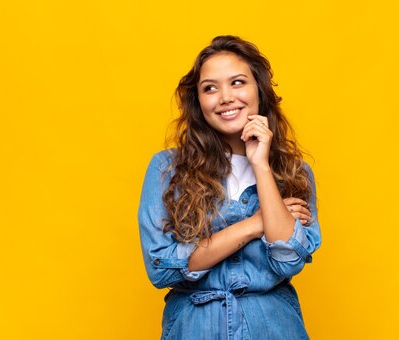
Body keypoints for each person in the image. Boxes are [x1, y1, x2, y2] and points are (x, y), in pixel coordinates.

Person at [138, 35, 321, 340]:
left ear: (258, 91)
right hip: (195, 329)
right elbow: (162, 268)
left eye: (237, 82)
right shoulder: (167, 169)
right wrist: (256, 224)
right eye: (210, 87)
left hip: (274, 328)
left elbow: (288, 258)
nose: (225, 97)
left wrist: (261, 164)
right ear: (198, 101)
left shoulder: (293, 172)